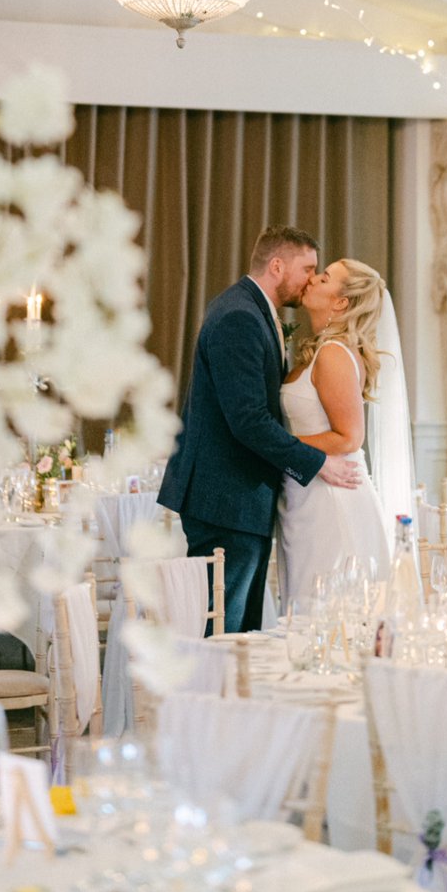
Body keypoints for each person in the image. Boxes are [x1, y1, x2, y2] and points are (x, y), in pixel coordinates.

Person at [158, 226, 361, 633]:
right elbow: (249, 420)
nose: (310, 278)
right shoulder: (239, 316)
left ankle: (231, 695)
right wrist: (317, 461)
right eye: (308, 268)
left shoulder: (251, 310)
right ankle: (213, 697)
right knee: (223, 632)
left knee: (240, 631)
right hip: (226, 499)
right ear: (277, 265)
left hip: (237, 498)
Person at [277, 258, 392, 604]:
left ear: (341, 302)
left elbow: (349, 437)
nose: (312, 279)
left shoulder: (333, 354)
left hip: (331, 499)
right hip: (308, 493)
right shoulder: (323, 350)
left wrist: (277, 446)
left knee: (327, 608)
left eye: (324, 278)